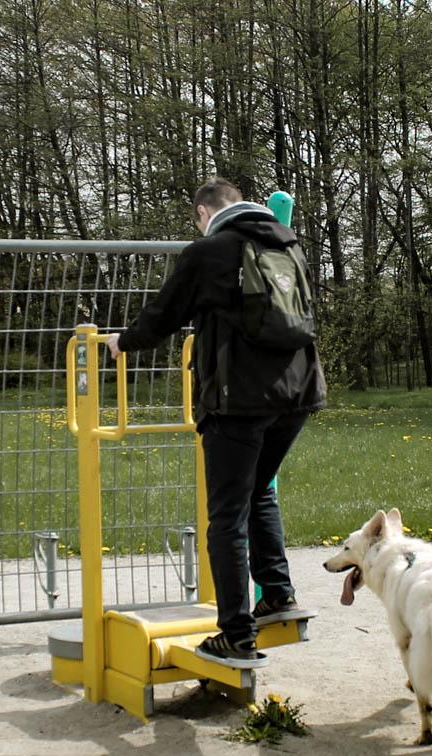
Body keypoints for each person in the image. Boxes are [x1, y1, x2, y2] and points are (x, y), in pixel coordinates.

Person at [105, 179, 327, 668]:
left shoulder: (208, 251)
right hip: (299, 394)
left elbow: (163, 316)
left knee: (226, 518)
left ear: (205, 212)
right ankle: (277, 594)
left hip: (238, 402)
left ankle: (236, 634)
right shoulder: (287, 242)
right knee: (260, 489)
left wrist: (122, 341)